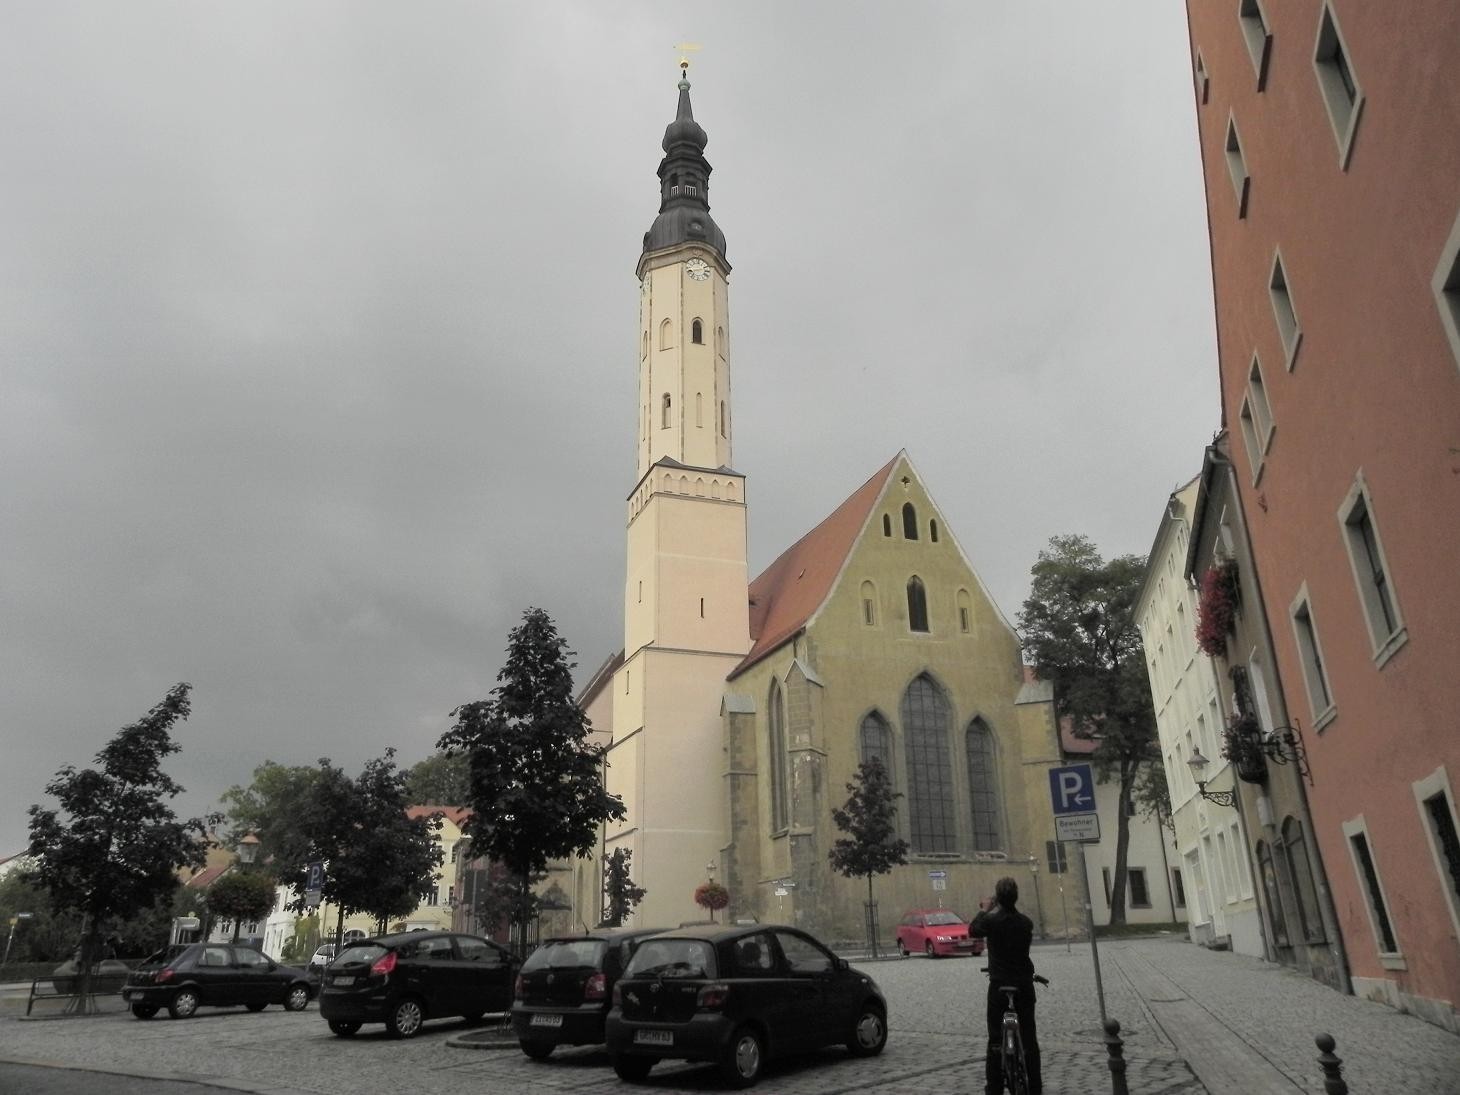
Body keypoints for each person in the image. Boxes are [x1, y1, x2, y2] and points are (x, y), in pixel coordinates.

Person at [969, 876, 1041, 1095]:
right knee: (1029, 1038)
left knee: (995, 1039)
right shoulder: (1026, 923)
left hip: (1000, 986)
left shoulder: (991, 921)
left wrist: (985, 909)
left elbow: (973, 930)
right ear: (1016, 897)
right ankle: (1035, 1088)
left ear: (998, 899)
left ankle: (994, 1088)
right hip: (1024, 985)